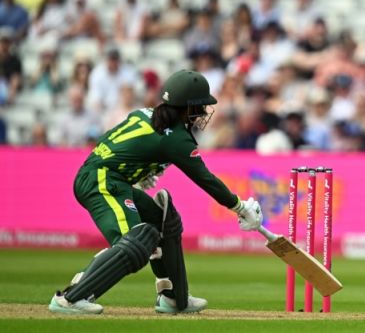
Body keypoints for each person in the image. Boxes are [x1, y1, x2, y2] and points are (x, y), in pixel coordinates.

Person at [48, 70, 264, 315]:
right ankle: (71, 297)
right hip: (101, 182)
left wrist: (140, 169)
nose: (203, 112)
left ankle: (172, 297)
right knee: (135, 242)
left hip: (112, 179)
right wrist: (239, 206)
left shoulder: (145, 113)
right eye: (200, 107)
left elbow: (113, 141)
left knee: (163, 220)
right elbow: (205, 179)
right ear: (186, 108)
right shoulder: (178, 139)